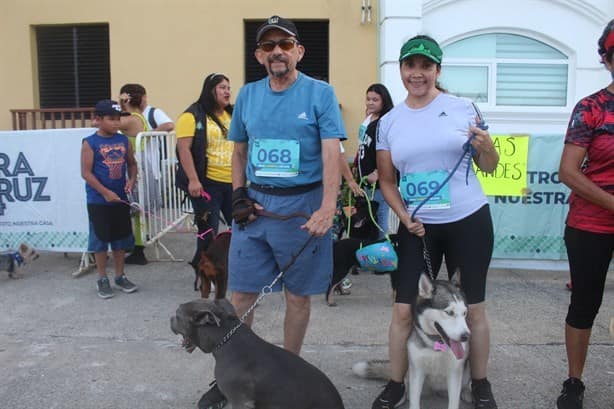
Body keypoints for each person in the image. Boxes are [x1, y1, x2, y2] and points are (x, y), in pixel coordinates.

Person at [196, 15, 346, 409]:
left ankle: (286, 373)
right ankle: (233, 372)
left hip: (303, 208)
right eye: (269, 46)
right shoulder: (247, 94)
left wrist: (329, 206)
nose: (277, 51)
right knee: (241, 297)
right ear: (259, 55)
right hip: (255, 209)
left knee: (297, 298)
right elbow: (240, 151)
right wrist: (238, 194)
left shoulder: (320, 93)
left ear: (299, 51)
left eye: (285, 44)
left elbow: (332, 151)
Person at [373, 35, 500, 409]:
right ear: (401, 70)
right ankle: (397, 383)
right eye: (410, 66)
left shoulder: (463, 108)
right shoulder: (388, 122)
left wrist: (487, 148)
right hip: (418, 227)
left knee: (472, 309)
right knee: (402, 309)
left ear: (437, 70)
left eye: (426, 66)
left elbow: (488, 166)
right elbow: (386, 180)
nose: (418, 74)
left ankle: (480, 383)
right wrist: (402, 214)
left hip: (468, 221)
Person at [555, 19, 614, 409]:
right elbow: (568, 172)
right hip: (591, 224)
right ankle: (574, 382)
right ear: (607, 60)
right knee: (585, 304)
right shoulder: (591, 107)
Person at [175, 73, 234, 272]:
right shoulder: (191, 115)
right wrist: (193, 180)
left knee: (240, 228)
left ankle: (220, 264)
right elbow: (184, 149)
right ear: (211, 90)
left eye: (228, 87)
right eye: (222, 87)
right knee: (208, 231)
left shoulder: (231, 114)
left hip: (232, 181)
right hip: (206, 184)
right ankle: (204, 270)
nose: (227, 91)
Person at [80, 100, 139, 299]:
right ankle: (102, 278)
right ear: (98, 120)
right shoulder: (90, 143)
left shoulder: (123, 141)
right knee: (100, 239)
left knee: (120, 239)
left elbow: (132, 164)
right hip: (98, 200)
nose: (115, 123)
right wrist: (104, 192)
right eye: (111, 119)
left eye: (118, 119)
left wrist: (131, 180)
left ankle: (120, 276)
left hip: (120, 198)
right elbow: (86, 173)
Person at [118, 84, 152, 265]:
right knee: (137, 209)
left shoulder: (132, 119)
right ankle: (134, 244)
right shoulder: (139, 117)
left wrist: (121, 105)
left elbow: (106, 122)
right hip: (139, 167)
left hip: (133, 169)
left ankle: (137, 249)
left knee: (135, 208)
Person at [354, 83, 394, 238]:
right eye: (368, 99)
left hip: (378, 182)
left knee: (380, 217)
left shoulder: (386, 122)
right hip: (365, 180)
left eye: (375, 100)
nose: (370, 102)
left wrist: (377, 172)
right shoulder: (369, 119)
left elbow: (390, 150)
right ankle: (370, 251)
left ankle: (383, 250)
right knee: (368, 217)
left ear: (384, 101)